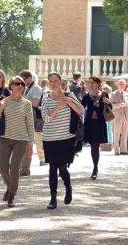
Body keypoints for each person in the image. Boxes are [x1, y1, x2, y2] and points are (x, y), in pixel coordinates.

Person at [41, 72, 84, 209]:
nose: (53, 83)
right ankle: (53, 199)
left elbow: (81, 111)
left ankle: (68, 186)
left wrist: (68, 102)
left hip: (66, 139)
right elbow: (46, 118)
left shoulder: (69, 95)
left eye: (55, 81)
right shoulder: (46, 98)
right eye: (50, 81)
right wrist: (60, 105)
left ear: (60, 82)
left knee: (62, 168)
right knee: (52, 168)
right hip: (50, 138)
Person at [0, 76, 35, 208]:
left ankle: (11, 196)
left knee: (15, 167)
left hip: (21, 140)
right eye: (16, 83)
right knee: (3, 167)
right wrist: (1, 108)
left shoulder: (27, 103)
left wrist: (30, 142)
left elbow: (30, 124)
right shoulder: (3, 101)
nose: (20, 85)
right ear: (10, 86)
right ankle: (10, 188)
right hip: (5, 138)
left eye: (21, 84)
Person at [81, 76, 111, 179]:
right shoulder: (86, 96)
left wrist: (108, 103)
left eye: (93, 82)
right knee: (92, 146)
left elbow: (109, 109)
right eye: (89, 82)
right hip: (89, 124)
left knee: (95, 146)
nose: (90, 84)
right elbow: (80, 108)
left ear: (98, 84)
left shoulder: (104, 94)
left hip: (99, 124)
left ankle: (95, 168)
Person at [19, 70, 45, 174]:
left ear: (29, 78)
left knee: (30, 143)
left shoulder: (36, 88)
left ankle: (26, 168)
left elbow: (35, 103)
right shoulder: (27, 89)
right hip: (27, 117)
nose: (22, 82)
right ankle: (23, 167)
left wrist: (21, 100)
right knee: (25, 143)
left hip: (34, 118)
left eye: (23, 79)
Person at [110, 79, 128, 155]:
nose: (122, 85)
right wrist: (119, 105)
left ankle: (123, 150)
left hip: (126, 116)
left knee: (125, 134)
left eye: (123, 84)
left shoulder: (126, 94)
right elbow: (110, 106)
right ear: (118, 85)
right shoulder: (113, 94)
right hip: (117, 116)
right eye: (121, 84)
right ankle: (116, 150)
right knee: (116, 133)